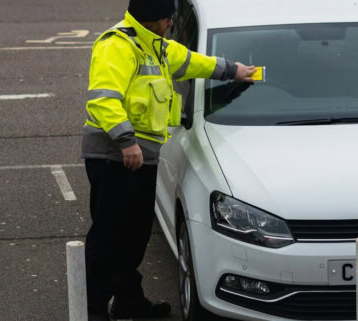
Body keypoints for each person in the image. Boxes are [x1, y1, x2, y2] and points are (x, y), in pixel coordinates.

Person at [80, 0, 256, 320]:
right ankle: (93, 310)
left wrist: (237, 71)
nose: (172, 22)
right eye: (168, 17)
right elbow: (104, 100)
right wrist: (126, 142)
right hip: (114, 157)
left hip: (140, 158)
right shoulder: (117, 45)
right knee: (108, 237)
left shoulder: (158, 47)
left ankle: (128, 302)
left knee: (133, 237)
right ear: (154, 18)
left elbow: (194, 62)